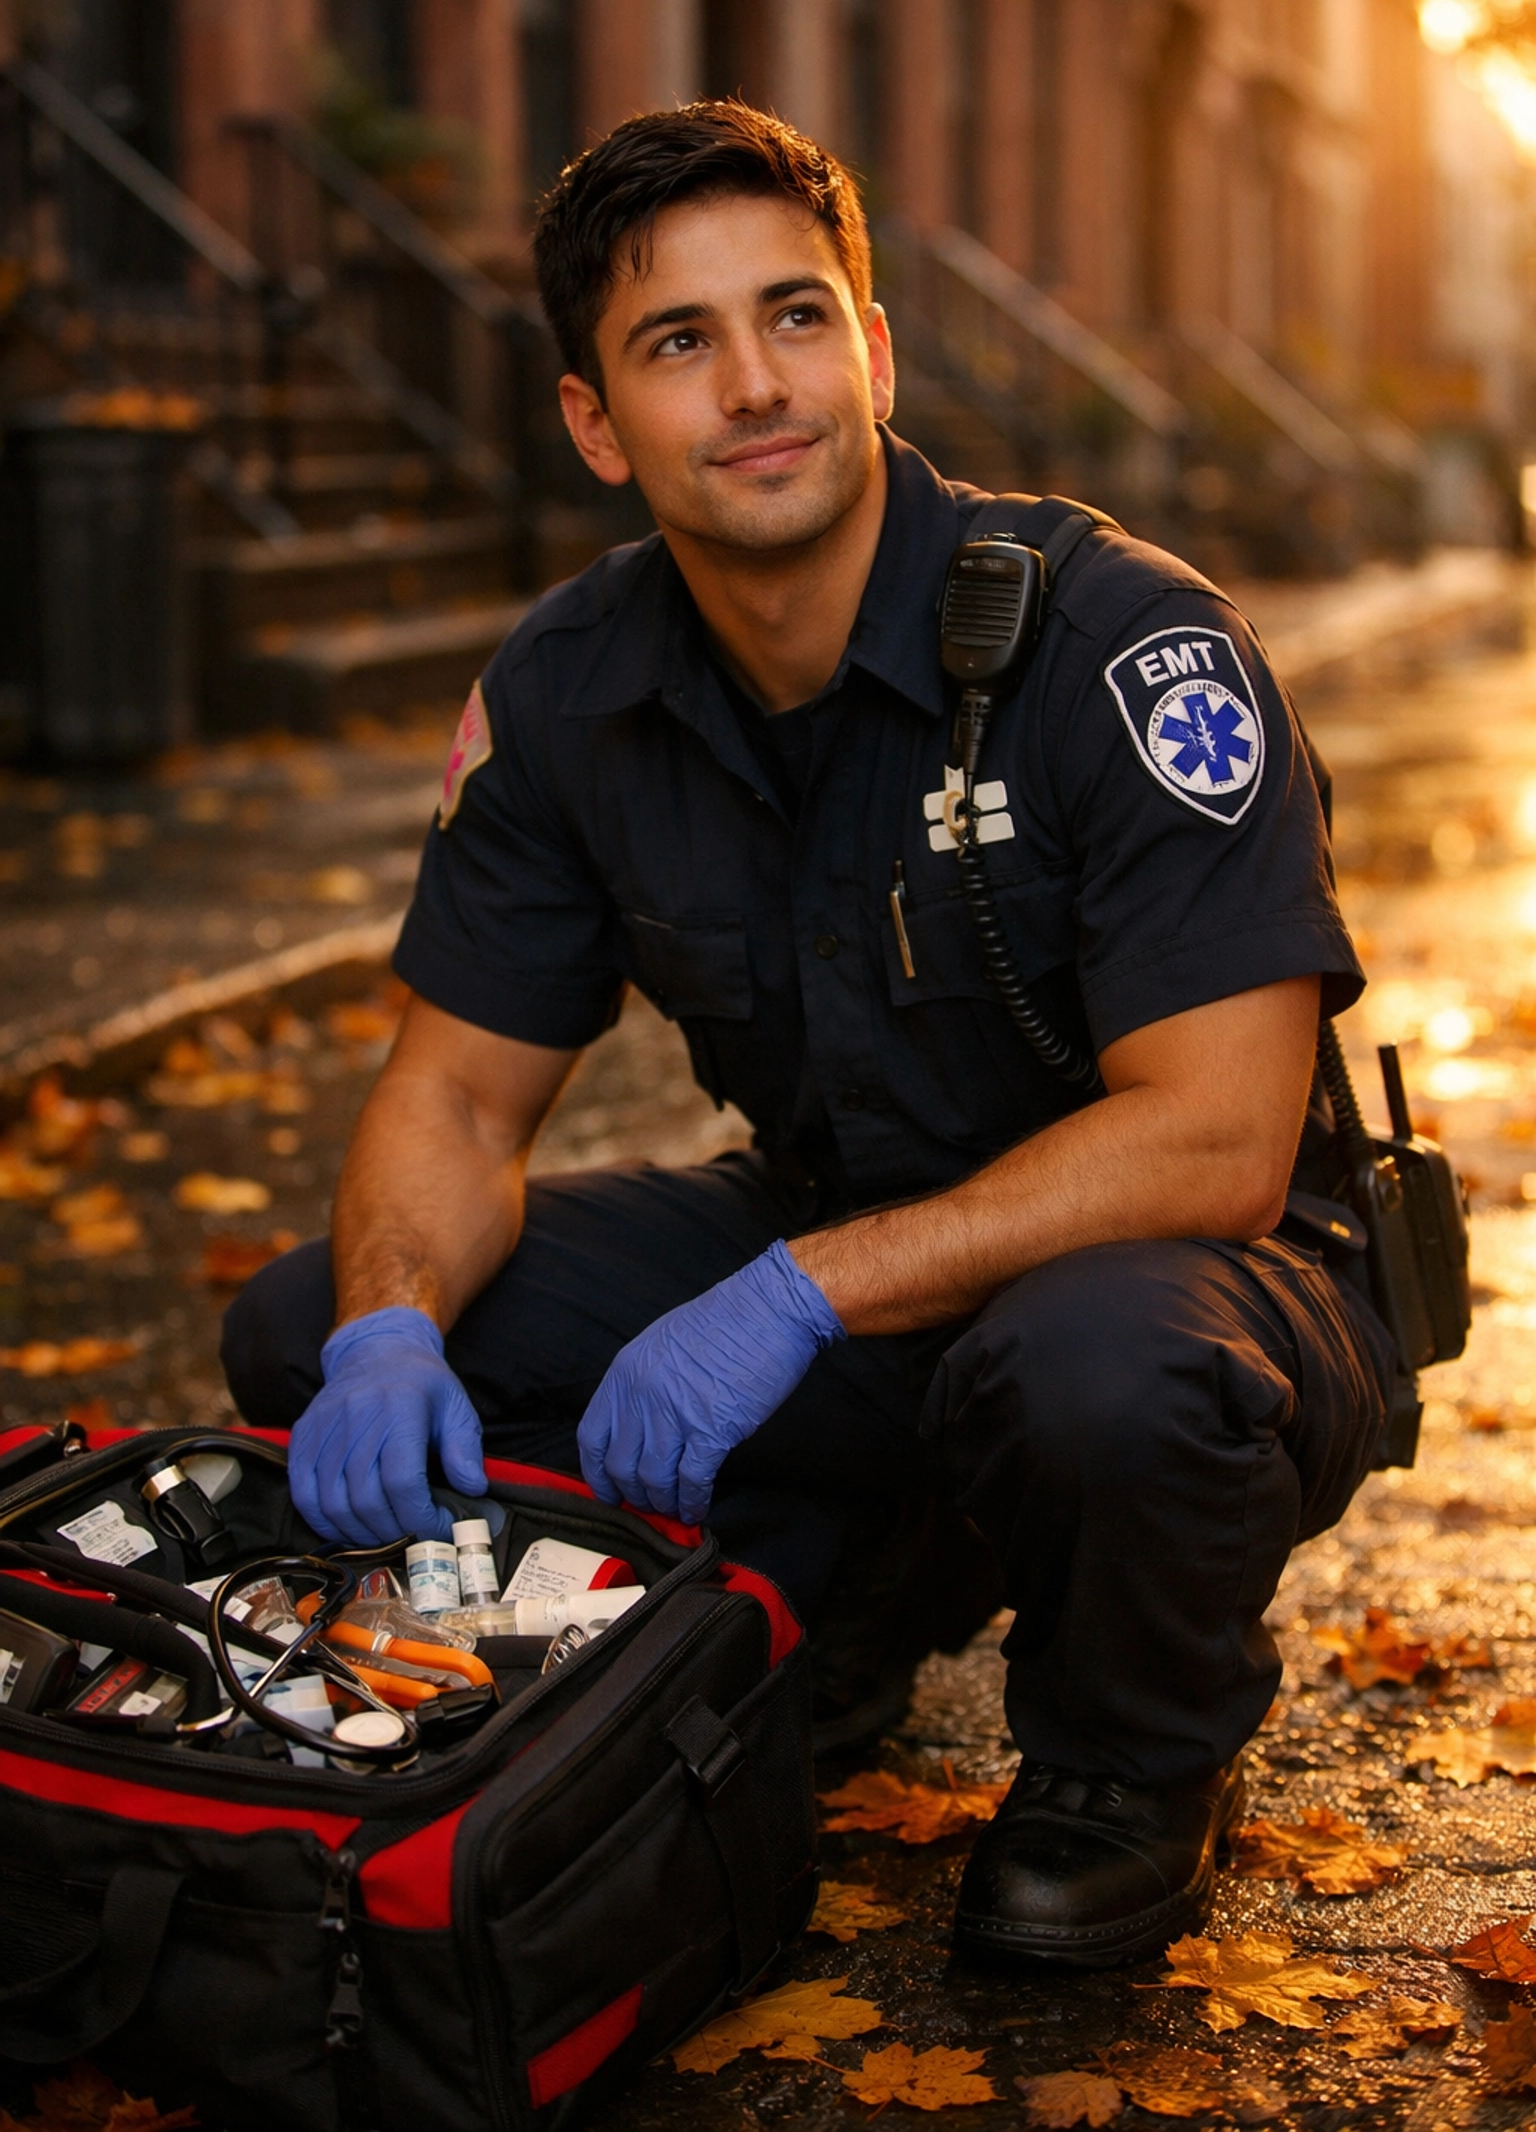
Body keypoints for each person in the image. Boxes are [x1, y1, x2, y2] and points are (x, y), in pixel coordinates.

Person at [223, 99, 1395, 1969]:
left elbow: (1218, 1140)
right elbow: (452, 1088)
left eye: (795, 316)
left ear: (875, 348)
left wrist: (790, 1303)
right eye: (678, 343)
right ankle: (807, 1594)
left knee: (1098, 1368)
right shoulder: (566, 693)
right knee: (317, 1324)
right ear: (597, 424)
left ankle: (1128, 1761)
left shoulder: (1124, 643)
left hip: (1204, 1280)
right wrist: (383, 1325)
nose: (755, 385)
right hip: (857, 1249)